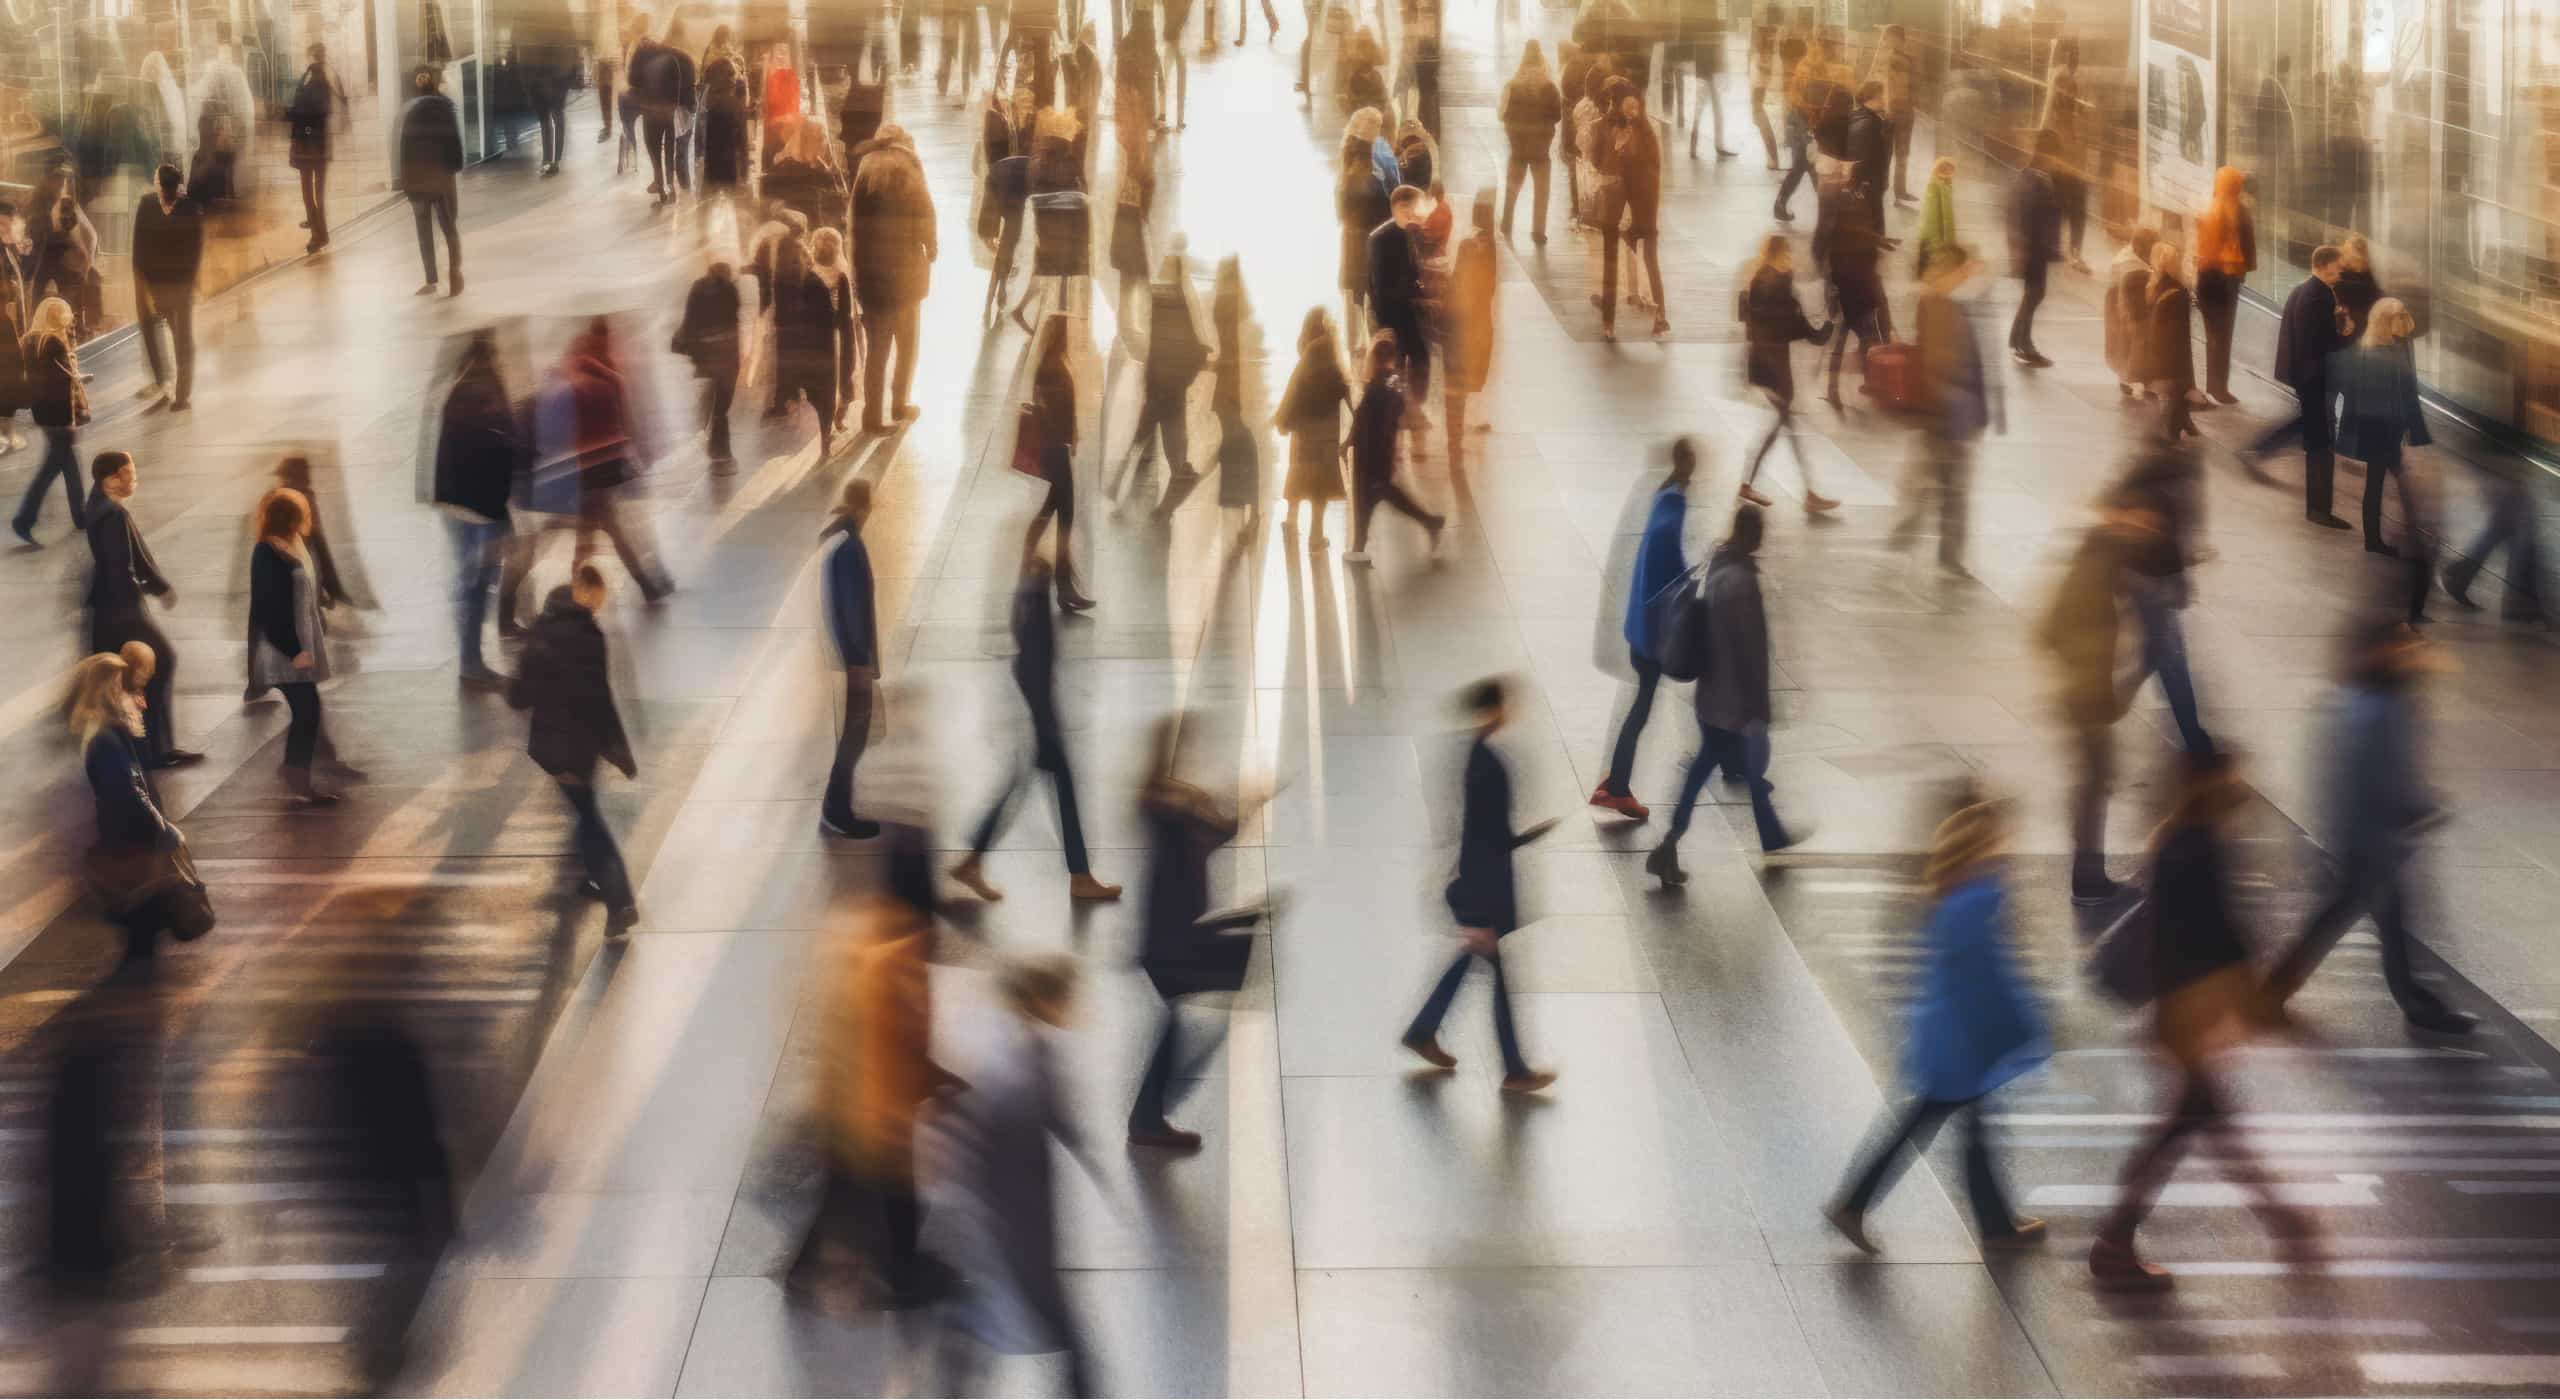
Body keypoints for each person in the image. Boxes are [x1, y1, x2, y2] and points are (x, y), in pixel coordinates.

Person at [2091, 753, 2320, 1290]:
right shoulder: (2197, 851)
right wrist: (2254, 1000)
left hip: (2180, 1013)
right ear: (2210, 786)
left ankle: (2284, 1222)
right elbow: (2217, 939)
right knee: (2186, 1125)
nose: (2243, 786)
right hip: (2187, 1015)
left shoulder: (2178, 842)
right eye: (2233, 776)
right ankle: (2115, 1242)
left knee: (2203, 1120)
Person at [1824, 792, 2048, 1254]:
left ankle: (1992, 1223)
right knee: (1934, 1127)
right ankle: (1855, 1205)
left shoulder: (1958, 893)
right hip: (1962, 1043)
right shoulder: (1976, 902)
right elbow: (1987, 979)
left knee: (1964, 1128)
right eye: (2001, 841)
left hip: (1948, 1037)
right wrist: (2020, 1028)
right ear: (1984, 847)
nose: (2009, 847)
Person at [2266, 621, 2471, 1034]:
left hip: (2369, 839)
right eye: (2401, 645)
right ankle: (2270, 994)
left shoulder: (2371, 697)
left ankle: (2415, 1002)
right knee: (2340, 918)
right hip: (2370, 842)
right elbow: (2384, 776)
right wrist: (2417, 809)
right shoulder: (2378, 707)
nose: (2411, 652)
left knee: (2383, 921)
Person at [791, 828, 959, 1309]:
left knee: (839, 1185)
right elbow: (895, 1042)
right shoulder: (901, 956)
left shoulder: (861, 924)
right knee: (899, 1197)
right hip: (874, 1107)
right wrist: (905, 1108)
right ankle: (903, 1277)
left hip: (841, 1094)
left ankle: (803, 1268)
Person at [939, 956, 1095, 1393]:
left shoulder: (1025, 1049)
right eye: (1067, 999)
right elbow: (997, 1152)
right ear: (1043, 1000)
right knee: (1045, 1313)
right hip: (1013, 1217)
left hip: (1006, 1212)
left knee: (1005, 1309)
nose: (1075, 1008)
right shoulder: (1019, 1074)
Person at [1401, 678, 1559, 1094]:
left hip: (1475, 884)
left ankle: (1425, 1030)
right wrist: (1481, 911)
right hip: (1481, 888)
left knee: (1478, 962)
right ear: (1491, 711)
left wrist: (1522, 838)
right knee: (1494, 968)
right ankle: (1513, 1068)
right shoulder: (1487, 764)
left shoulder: (1471, 755)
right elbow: (1479, 839)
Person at [949, 552, 1123, 903]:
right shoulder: (1037, 603)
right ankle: (1080, 877)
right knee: (1060, 795)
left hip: (1031, 720)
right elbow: (1034, 667)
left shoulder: (1026, 596)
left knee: (1019, 790)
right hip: (1039, 724)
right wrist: (1046, 725)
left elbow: (1024, 662)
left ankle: (972, 863)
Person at [1128, 714, 1264, 1150]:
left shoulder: (1172, 800)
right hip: (1171, 939)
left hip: (1173, 932)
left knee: (1180, 1023)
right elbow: (1203, 831)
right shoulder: (1162, 802)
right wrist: (1234, 804)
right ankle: (1149, 1116)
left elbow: (1212, 833)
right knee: (1190, 1021)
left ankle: (1149, 1114)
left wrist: (1246, 806)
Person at [1648, 503, 1799, 885]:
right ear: (1754, 535)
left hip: (1712, 695)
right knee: (1731, 771)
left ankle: (1770, 838)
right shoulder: (1741, 583)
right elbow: (1749, 651)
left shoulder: (1720, 565)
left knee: (1721, 770)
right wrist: (1757, 706)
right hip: (1731, 701)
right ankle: (1671, 844)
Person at [508, 564, 641, 931]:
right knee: (586, 812)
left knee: (587, 819)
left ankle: (620, 900)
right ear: (585, 594)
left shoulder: (541, 633)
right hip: (585, 745)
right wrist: (619, 751)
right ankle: (598, 881)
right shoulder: (590, 635)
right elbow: (602, 699)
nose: (599, 607)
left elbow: (518, 697)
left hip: (554, 744)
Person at [2039, 507, 2153, 903]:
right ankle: (2087, 878)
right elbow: (2056, 632)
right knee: (2094, 783)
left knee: (2096, 782)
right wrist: (2094, 684)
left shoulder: (2093, 570)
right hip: (2086, 700)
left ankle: (2089, 872)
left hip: (2086, 696)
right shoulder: (2094, 579)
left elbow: (2049, 631)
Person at [1592, 439, 1694, 820]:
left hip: (1640, 629)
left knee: (1640, 709)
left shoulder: (1662, 496)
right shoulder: (1674, 507)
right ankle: (1616, 787)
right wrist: (1689, 582)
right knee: (1640, 712)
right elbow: (1670, 565)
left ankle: (1615, 781)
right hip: (1652, 637)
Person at [83, 454, 198, 768]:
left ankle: (142, 745)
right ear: (113, 477)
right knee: (160, 661)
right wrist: (139, 611)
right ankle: (156, 748)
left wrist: (158, 586)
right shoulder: (113, 515)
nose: (135, 479)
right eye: (130, 474)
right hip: (123, 609)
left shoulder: (97, 504)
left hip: (109, 608)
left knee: (120, 677)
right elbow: (122, 567)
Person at [1892, 247, 2001, 573]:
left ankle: (1918, 531)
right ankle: (1945, 550)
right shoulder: (1937, 305)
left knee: (1938, 479)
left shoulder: (1945, 303)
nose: (1966, 276)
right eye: (1962, 271)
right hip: (1945, 412)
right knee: (1951, 486)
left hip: (1946, 411)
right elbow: (1942, 362)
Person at [2109, 442, 2215, 757]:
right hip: (2150, 585)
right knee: (2170, 661)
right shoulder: (2162, 482)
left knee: (2157, 652)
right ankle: (2197, 744)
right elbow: (2173, 541)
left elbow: (2184, 538)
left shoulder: (2174, 476)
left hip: (2152, 583)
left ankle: (2117, 694)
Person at [2332, 298, 2434, 613]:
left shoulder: (2368, 349)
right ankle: (2400, 538)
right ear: (2389, 321)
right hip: (2385, 427)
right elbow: (2407, 395)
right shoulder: (2392, 352)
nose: (2405, 320)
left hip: (2375, 426)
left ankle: (2376, 537)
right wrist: (2414, 431)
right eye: (2400, 316)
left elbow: (2347, 387)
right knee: (2394, 481)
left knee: (2378, 481)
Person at [431, 331, 520, 690]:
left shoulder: (457, 389)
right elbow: (501, 450)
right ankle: (471, 662)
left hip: (455, 503)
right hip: (481, 508)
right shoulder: (485, 393)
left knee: (470, 581)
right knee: (476, 583)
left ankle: (471, 658)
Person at [2246, 245, 2355, 529]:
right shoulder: (2315, 296)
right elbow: (2319, 343)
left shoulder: (2307, 291)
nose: (2341, 270)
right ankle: (2319, 510)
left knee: (2316, 440)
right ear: (2324, 265)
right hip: (2315, 381)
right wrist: (2346, 333)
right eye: (2337, 266)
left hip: (2309, 380)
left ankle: (2318, 507)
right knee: (2320, 446)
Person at [248, 487, 338, 806]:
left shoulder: (291, 544)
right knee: (308, 710)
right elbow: (268, 609)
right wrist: (293, 650)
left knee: (308, 710)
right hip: (283, 651)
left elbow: (305, 586)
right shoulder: (267, 554)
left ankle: (295, 772)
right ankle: (296, 776)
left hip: (298, 645)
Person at [1735, 236, 1837, 512]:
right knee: (1781, 425)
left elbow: (1749, 317)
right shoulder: (1778, 285)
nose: (1791, 261)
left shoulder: (1758, 281)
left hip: (1762, 362)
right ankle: (1802, 493)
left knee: (1784, 425)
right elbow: (1794, 326)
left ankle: (1803, 491)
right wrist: (1824, 329)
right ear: (1778, 255)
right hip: (1775, 368)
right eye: (1788, 256)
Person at [852, 126, 936, 433]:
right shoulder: (908, 169)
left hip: (872, 278)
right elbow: (926, 215)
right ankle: (900, 403)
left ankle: (872, 418)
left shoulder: (865, 173)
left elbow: (855, 227)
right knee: (907, 345)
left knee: (878, 351)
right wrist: (931, 247)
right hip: (906, 277)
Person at [1015, 315, 1096, 610]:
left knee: (1055, 512)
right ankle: (1064, 587)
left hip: (1055, 451)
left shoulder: (1049, 366)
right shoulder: (1054, 370)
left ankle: (1055, 580)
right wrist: (1068, 437)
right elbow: (1053, 415)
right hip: (1056, 453)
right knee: (1064, 516)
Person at [1344, 331, 1444, 564]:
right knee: (1376, 496)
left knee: (1372, 496)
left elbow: (1365, 419)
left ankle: (1360, 545)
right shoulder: (1390, 383)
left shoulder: (1379, 386)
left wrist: (1352, 440)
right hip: (1378, 452)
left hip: (1370, 454)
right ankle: (1359, 544)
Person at [819, 479, 882, 840]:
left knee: (855, 735)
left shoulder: (844, 544)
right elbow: (852, 610)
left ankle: (838, 805)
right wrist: (860, 662)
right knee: (854, 735)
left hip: (856, 659)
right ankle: (837, 809)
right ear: (864, 506)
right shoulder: (849, 550)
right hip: (856, 661)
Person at [1124, 241, 1209, 505]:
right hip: (1171, 390)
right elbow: (1194, 349)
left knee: (1141, 444)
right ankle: (1162, 509)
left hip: (1161, 388)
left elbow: (1155, 344)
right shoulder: (1180, 299)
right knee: (1170, 453)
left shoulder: (1161, 297)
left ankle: (1130, 501)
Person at [13, 297, 89, 545]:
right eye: (64, 317)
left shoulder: (29, 340)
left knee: (69, 466)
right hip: (60, 414)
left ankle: (80, 515)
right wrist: (80, 381)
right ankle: (24, 519)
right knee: (50, 470)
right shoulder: (54, 341)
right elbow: (65, 379)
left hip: (43, 413)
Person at [1277, 307, 1353, 546]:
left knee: (1298, 474)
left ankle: (1290, 521)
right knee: (1321, 483)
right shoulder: (1331, 352)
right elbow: (1345, 389)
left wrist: (1282, 419)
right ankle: (1315, 535)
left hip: (1304, 431)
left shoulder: (1306, 357)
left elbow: (1293, 390)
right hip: (1327, 432)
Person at [129, 166, 202, 412]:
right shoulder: (148, 205)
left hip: (179, 286)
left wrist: (191, 280)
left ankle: (182, 394)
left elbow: (195, 248)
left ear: (161, 184)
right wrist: (143, 282)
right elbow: (139, 246)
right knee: (175, 334)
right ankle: (166, 382)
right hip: (159, 287)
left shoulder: (189, 208)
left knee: (183, 338)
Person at [784, 227, 859, 456]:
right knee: (838, 383)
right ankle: (832, 425)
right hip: (831, 340)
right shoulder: (835, 276)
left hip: (822, 341)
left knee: (831, 387)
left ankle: (829, 428)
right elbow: (845, 314)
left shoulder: (811, 276)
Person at [1601, 89, 1669, 340]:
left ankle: (1660, 315)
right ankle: (1613, 318)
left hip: (1644, 205)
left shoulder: (1646, 132)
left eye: (1635, 106)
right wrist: (1618, 146)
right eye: (1627, 106)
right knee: (1617, 263)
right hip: (1622, 205)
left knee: (1650, 259)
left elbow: (1652, 170)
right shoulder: (1613, 130)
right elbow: (1606, 165)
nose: (1631, 111)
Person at [398, 68, 466, 297]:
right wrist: (453, 168)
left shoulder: (410, 109)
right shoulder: (443, 106)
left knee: (425, 229)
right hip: (440, 177)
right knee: (448, 226)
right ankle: (452, 274)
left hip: (420, 178)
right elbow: (454, 142)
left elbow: (403, 148)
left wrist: (406, 181)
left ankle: (433, 279)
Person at [1443, 193, 1497, 469]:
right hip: (1477, 325)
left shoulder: (1469, 245)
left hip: (1465, 326)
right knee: (1470, 379)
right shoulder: (1488, 248)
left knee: (1462, 383)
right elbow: (1489, 288)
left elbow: (1457, 282)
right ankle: (1459, 436)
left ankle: (1457, 439)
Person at [1818, 187, 1887, 406]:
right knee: (1871, 341)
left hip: (1845, 299)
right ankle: (1873, 383)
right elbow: (1870, 269)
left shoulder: (1837, 233)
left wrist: (1832, 299)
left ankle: (1833, 390)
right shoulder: (1861, 234)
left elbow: (1830, 269)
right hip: (1862, 299)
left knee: (1840, 345)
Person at [673, 260, 743, 472]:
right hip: (725, 356)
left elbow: (690, 320)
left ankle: (708, 440)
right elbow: (734, 321)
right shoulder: (730, 289)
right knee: (721, 407)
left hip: (704, 355)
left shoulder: (697, 287)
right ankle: (720, 452)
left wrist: (695, 352)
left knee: (709, 400)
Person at [2192, 167, 2253, 405]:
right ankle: (2218, 387)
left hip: (2210, 278)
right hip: (2224, 279)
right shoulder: (2234, 211)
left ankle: (2216, 386)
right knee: (2222, 335)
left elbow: (2204, 253)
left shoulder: (2212, 209)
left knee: (2215, 336)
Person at [1335, 109, 1393, 345]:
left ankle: (1356, 351)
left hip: (1352, 243)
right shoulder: (1374, 171)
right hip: (1371, 244)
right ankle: (1373, 352)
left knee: (1356, 298)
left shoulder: (1347, 169)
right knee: (1374, 305)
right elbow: (1386, 211)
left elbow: (1341, 214)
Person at [981, 86, 1035, 327]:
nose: (1024, 105)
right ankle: (999, 296)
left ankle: (997, 297)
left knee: (1008, 245)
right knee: (1009, 244)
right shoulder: (1000, 121)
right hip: (1012, 187)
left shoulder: (1007, 121)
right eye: (1021, 101)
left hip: (1012, 184)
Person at [1498, 43, 1563, 245]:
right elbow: (1557, 116)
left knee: (1512, 188)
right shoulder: (1550, 88)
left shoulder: (1512, 86)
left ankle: (1506, 224)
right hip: (1541, 149)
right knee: (1541, 191)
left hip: (1518, 147)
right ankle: (1538, 232)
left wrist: (1515, 129)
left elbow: (1502, 114)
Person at [285, 46, 346, 255]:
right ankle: (317, 227)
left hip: (311, 144)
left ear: (312, 56)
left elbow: (311, 111)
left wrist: (290, 114)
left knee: (311, 193)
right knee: (314, 193)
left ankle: (318, 235)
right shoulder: (319, 77)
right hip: (316, 144)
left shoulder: (315, 79)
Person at [2007, 142, 2061, 367]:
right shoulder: (2039, 182)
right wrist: (2047, 247)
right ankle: (2024, 344)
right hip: (2035, 250)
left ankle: (2018, 339)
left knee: (2033, 294)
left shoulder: (2026, 178)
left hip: (2030, 249)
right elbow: (2039, 218)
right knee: (2035, 294)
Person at [2139, 241, 2199, 441]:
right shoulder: (2178, 291)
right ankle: (2177, 425)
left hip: (2157, 348)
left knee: (2173, 391)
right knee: (2177, 390)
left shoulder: (2154, 285)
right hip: (2173, 351)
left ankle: (2181, 422)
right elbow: (2179, 331)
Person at [2103, 227, 2160, 399]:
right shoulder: (2130, 264)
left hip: (2129, 298)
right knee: (2128, 340)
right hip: (2123, 301)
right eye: (2151, 249)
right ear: (2141, 248)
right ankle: (2132, 378)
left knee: (2129, 341)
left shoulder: (2133, 254)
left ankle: (2133, 377)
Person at [697, 35, 754, 204]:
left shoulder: (705, 102)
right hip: (729, 167)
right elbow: (742, 142)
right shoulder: (735, 105)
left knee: (706, 208)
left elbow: (699, 137)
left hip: (709, 167)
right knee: (735, 209)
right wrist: (745, 171)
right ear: (730, 80)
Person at [1867, 24, 1917, 202]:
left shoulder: (1906, 61)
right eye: (1887, 38)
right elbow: (1881, 84)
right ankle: (1882, 189)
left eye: (1891, 38)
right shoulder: (1884, 60)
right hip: (1889, 111)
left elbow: (1911, 87)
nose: (1888, 42)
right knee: (1885, 153)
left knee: (1902, 153)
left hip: (1903, 111)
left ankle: (1899, 191)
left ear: (1901, 40)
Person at [0, 200, 28, 455]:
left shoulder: (8, 249)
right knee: (8, 376)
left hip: (8, 322)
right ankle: (5, 434)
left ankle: (7, 433)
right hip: (3, 323)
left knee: (10, 375)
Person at [1911, 157, 1957, 278]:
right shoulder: (1940, 186)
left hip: (1929, 227)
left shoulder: (1940, 184)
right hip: (1934, 228)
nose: (1952, 174)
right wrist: (1947, 236)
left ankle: (1922, 275)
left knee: (1925, 255)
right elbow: (1942, 212)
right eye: (1950, 171)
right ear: (1944, 171)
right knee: (1931, 254)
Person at [2335, 233, 2386, 340]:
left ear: (2359, 256)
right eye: (2344, 250)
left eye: (2347, 251)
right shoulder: (2344, 276)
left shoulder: (2349, 284)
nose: (2342, 253)